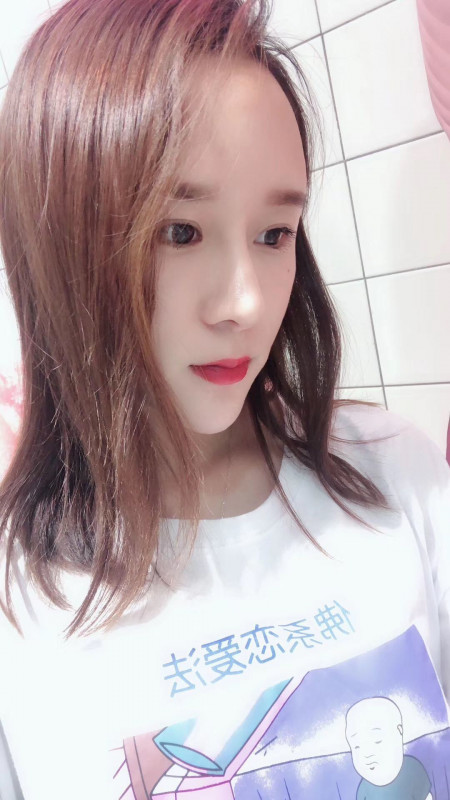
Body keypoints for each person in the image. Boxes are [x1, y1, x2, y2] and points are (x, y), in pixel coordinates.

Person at [0, 1, 449, 798]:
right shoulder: (21, 597)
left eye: (275, 233)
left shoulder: (395, 474)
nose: (246, 302)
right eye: (180, 231)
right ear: (61, 246)